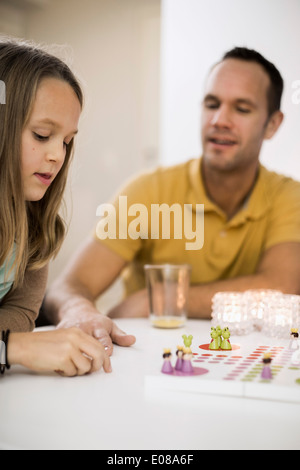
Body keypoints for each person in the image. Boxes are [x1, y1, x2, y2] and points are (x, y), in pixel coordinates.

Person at [43, 46, 300, 337]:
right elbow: (68, 287)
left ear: (273, 125)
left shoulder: (289, 197)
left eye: (242, 109)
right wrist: (79, 311)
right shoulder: (149, 190)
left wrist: (159, 300)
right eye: (212, 104)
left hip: (244, 361)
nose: (219, 121)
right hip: (149, 361)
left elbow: (281, 288)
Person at [0, 38, 134, 377]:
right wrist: (13, 347)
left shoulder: (31, 222)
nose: (58, 155)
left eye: (66, 141)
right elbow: (15, 337)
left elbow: (21, 311)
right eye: (42, 135)